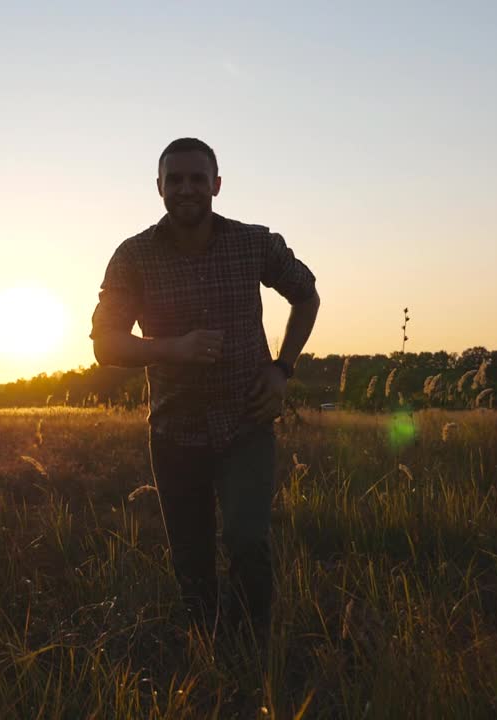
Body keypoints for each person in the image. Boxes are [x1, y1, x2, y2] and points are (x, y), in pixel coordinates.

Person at [90, 137, 320, 644]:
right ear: (159, 188)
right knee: (192, 562)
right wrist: (173, 349)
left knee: (246, 541)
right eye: (175, 179)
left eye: (198, 179)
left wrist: (282, 369)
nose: (186, 189)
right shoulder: (133, 256)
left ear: (216, 185)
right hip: (175, 431)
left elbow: (306, 296)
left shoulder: (253, 243)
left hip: (247, 422)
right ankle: (208, 654)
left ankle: (254, 651)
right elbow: (105, 343)